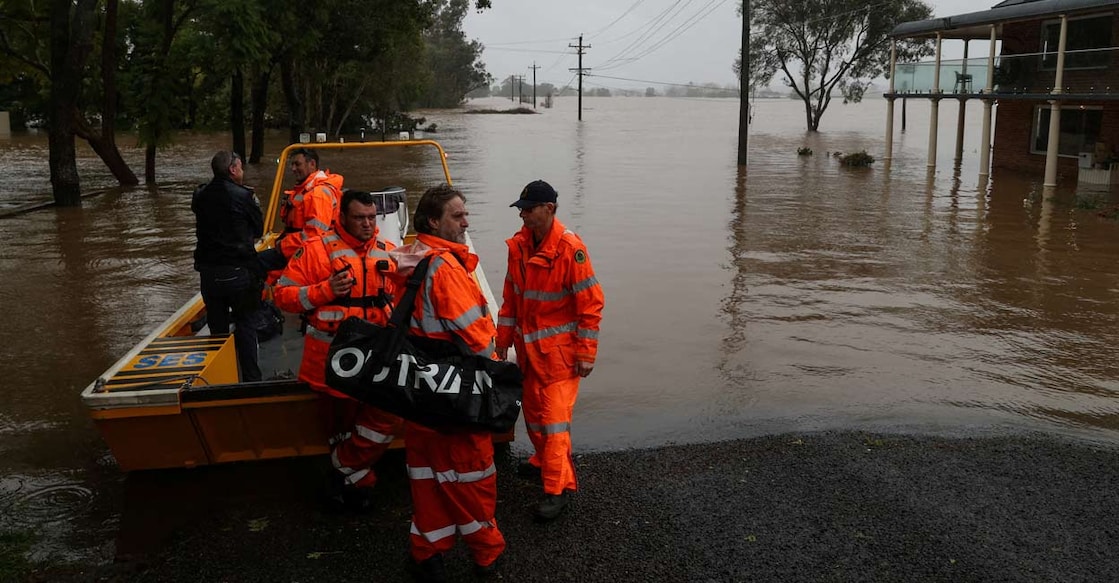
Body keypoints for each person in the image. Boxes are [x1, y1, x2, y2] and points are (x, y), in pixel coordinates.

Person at [388, 184, 505, 582]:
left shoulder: (407, 258)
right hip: (454, 395)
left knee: (426, 478)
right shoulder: (447, 269)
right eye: (458, 215)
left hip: (417, 394)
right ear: (434, 221)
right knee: (473, 475)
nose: (466, 221)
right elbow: (479, 340)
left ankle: (426, 554)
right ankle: (487, 556)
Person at [273, 190, 402, 510]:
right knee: (339, 430)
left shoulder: (389, 251)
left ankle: (341, 473)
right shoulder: (315, 252)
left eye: (372, 218)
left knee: (386, 416)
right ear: (342, 218)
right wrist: (325, 291)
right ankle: (356, 482)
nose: (368, 225)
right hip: (330, 361)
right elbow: (283, 296)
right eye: (360, 218)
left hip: (375, 357)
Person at [495, 179, 604, 521]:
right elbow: (511, 300)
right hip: (529, 353)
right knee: (535, 419)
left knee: (554, 424)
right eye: (521, 210)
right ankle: (543, 462)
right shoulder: (519, 248)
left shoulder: (570, 250)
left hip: (559, 357)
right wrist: (501, 342)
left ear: (550, 209)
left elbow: (591, 305)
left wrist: (586, 353)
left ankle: (557, 490)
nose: (523, 215)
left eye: (528, 209)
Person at [191, 150, 264, 382]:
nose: (242, 171)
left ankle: (220, 378)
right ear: (233, 170)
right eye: (241, 167)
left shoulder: (200, 195)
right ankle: (252, 380)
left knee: (217, 329)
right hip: (238, 271)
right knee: (246, 324)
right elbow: (259, 230)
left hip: (209, 273)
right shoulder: (244, 196)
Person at [261, 147, 343, 271]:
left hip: (311, 253)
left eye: (297, 164)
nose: (293, 169)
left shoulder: (318, 194)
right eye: (292, 164)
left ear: (312, 164)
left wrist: (283, 245)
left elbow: (315, 235)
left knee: (256, 262)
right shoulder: (305, 189)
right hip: (299, 247)